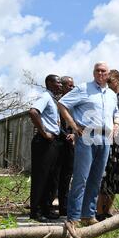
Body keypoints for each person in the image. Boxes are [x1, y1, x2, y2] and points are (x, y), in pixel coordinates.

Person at [58, 62, 119, 226]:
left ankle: (88, 215)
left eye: (103, 71)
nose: (100, 73)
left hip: (105, 139)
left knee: (96, 179)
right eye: (97, 71)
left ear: (108, 74)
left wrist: (116, 125)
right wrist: (73, 125)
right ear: (93, 73)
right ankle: (73, 217)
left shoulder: (112, 94)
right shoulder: (83, 88)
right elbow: (62, 104)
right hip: (86, 137)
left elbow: (116, 113)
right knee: (81, 178)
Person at [96, 70, 119, 221]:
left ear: (117, 81)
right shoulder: (104, 97)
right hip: (105, 140)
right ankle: (98, 211)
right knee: (103, 177)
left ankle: (107, 211)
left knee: (116, 177)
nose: (107, 84)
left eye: (110, 81)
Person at [29, 74, 62, 221]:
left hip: (53, 142)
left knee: (51, 177)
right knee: (41, 177)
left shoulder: (54, 100)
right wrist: (44, 133)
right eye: (58, 82)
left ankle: (46, 209)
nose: (60, 85)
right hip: (43, 142)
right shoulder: (45, 97)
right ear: (49, 83)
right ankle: (35, 212)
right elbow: (33, 112)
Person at [49, 76, 75, 216]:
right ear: (63, 87)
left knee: (67, 176)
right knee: (55, 176)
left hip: (71, 145)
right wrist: (66, 135)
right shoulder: (57, 103)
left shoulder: (76, 103)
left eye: (73, 86)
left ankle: (64, 207)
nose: (72, 88)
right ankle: (50, 205)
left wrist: (75, 135)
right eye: (69, 86)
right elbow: (55, 123)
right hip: (58, 144)